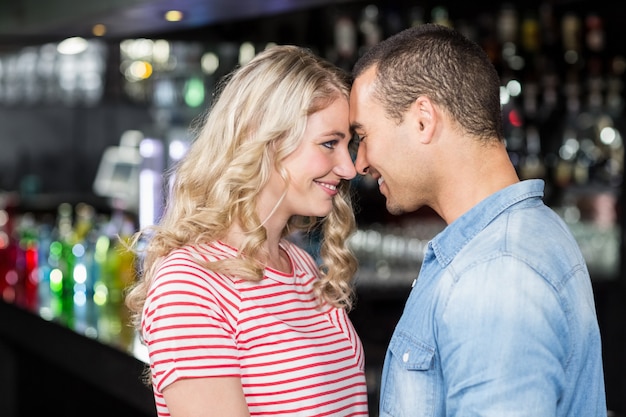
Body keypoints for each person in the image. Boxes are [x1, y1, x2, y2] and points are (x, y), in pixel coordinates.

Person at [349, 23, 606, 416]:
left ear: (423, 119)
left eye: (363, 135)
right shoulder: (530, 232)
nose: (359, 162)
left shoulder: (495, 276)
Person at [125, 45, 369, 417]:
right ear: (265, 139)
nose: (349, 168)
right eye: (329, 144)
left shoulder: (300, 266)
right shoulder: (191, 285)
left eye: (347, 145)